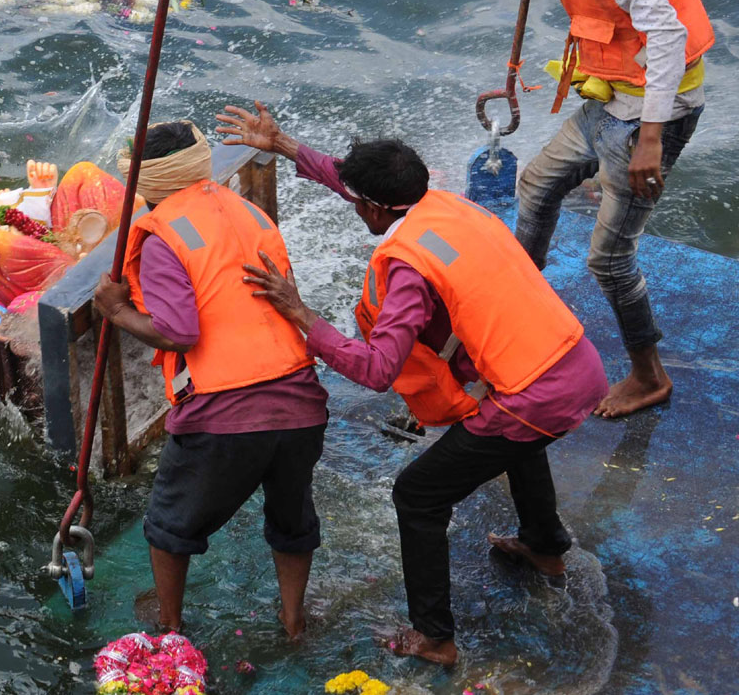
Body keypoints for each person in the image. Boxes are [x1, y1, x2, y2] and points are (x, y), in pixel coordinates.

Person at [217, 102, 607, 667]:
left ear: (376, 209)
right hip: (577, 364)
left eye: (360, 203)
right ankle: (544, 549)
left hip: (533, 396)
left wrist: (302, 315)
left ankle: (435, 637)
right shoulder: (445, 205)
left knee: (417, 495)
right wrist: (285, 146)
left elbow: (377, 371)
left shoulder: (407, 267)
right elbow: (356, 186)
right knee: (512, 437)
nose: (355, 206)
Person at [513, 0, 713, 418]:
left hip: (650, 107)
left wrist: (650, 139)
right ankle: (520, 313)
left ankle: (649, 375)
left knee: (609, 257)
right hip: (611, 94)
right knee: (537, 185)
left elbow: (668, 34)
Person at [92, 120, 329, 638]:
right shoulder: (248, 212)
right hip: (301, 400)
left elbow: (179, 332)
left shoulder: (163, 235)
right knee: (292, 520)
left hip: (227, 410)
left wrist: (117, 311)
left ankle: (169, 624)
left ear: (147, 184)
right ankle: (294, 621)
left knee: (168, 525)